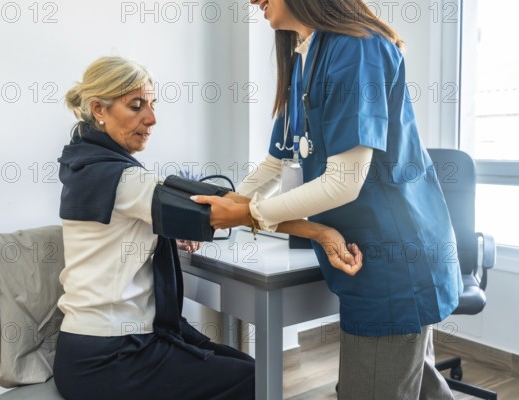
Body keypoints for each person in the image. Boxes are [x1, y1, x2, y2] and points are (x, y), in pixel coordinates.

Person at [191, 1, 463, 399]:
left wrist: (248, 214)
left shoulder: (357, 48)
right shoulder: (305, 56)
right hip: (371, 256)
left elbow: (344, 183)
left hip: (394, 263)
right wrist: (222, 206)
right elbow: (277, 160)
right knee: (414, 385)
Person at [53, 56, 362, 400]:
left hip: (87, 350)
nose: (152, 119)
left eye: (152, 105)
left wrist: (167, 232)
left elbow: (123, 229)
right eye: (136, 106)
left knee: (249, 367)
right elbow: (221, 210)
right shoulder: (124, 178)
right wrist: (321, 232)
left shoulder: (83, 163)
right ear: (99, 108)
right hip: (111, 356)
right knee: (253, 381)